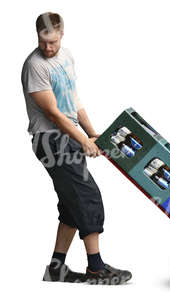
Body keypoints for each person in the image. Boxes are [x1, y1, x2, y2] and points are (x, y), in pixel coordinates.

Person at [21, 12, 132, 285]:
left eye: (53, 42)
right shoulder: (35, 66)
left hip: (66, 137)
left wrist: (92, 132)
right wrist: (83, 141)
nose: (48, 48)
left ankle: (56, 268)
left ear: (61, 35)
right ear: (37, 35)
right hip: (51, 140)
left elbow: (73, 101)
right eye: (43, 42)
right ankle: (96, 268)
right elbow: (55, 114)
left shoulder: (66, 57)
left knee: (72, 203)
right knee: (87, 195)